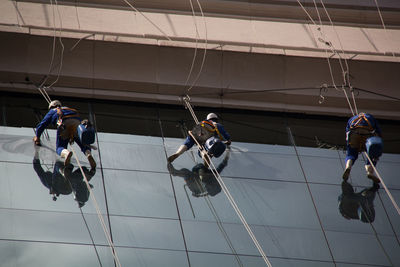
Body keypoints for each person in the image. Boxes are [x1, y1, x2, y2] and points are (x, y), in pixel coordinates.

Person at [33, 100, 96, 168]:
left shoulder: (53, 111)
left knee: (60, 147)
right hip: (77, 124)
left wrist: (37, 136)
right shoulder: (69, 109)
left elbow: (42, 124)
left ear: (51, 107)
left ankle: (66, 153)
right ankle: (88, 154)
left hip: (64, 124)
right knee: (83, 143)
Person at [342, 113, 383, 183]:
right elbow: (378, 131)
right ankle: (370, 172)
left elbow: (347, 131)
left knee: (351, 154)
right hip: (367, 134)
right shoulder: (371, 118)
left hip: (354, 134)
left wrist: (349, 144)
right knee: (372, 155)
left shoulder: (352, 119)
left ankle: (348, 167)